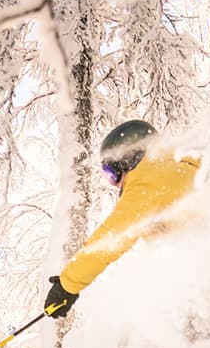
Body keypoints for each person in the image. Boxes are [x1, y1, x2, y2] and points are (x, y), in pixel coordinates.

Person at [43, 120, 201, 318]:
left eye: (112, 173)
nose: (115, 185)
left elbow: (110, 240)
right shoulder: (187, 170)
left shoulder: (149, 183)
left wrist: (67, 286)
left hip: (207, 283)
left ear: (130, 158)